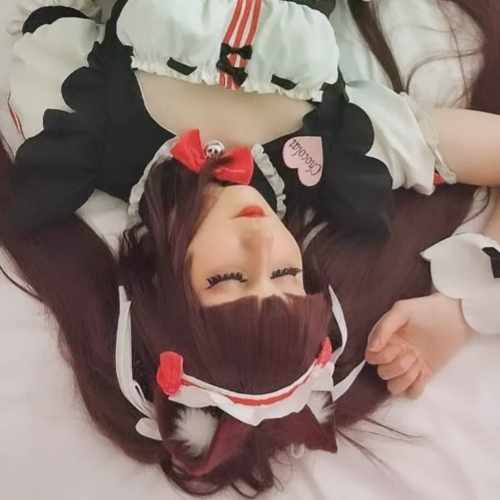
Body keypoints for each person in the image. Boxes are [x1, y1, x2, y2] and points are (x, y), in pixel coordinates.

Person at [0, 0, 499, 496]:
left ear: (160, 285)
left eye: (227, 278)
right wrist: (461, 306)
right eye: (286, 275)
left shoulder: (70, 127)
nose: (262, 243)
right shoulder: (338, 155)